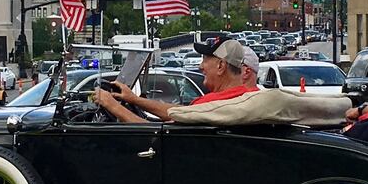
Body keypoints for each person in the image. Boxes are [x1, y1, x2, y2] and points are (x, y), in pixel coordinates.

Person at [94, 36, 260, 123]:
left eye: (205, 60)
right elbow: (179, 113)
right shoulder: (245, 96)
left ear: (221, 66)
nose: (200, 66)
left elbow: (156, 134)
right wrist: (134, 100)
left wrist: (111, 105)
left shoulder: (212, 104)